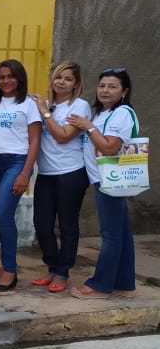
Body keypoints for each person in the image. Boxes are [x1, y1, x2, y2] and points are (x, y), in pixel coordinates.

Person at [66, 68, 138, 299]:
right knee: (121, 234)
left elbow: (109, 147)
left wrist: (88, 126)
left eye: (112, 86)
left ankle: (101, 286)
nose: (105, 91)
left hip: (110, 180)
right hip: (103, 179)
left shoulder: (122, 114)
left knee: (110, 236)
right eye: (102, 86)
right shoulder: (104, 114)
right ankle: (124, 284)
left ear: (124, 91)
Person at [29, 62, 91, 293]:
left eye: (67, 79)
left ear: (76, 84)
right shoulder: (50, 107)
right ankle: (53, 266)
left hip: (71, 173)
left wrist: (44, 111)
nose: (61, 82)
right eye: (58, 77)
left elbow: (63, 136)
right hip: (46, 173)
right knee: (42, 224)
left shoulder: (79, 106)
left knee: (67, 225)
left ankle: (63, 272)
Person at [0, 59, 42, 293]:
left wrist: (25, 173)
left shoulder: (29, 104)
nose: (5, 81)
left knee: (3, 214)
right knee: (3, 217)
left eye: (10, 76)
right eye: (1, 77)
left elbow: (35, 140)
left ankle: (10, 270)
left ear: (19, 79)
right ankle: (6, 265)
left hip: (16, 162)